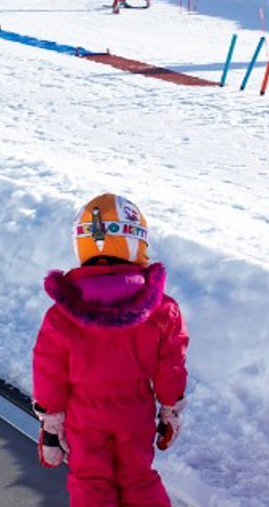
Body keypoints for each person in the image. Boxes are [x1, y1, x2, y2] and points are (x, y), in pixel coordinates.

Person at [32, 193, 188, 507]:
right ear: (138, 243)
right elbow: (172, 365)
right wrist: (169, 409)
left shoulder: (62, 313)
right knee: (138, 477)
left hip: (84, 415)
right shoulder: (161, 308)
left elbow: (49, 368)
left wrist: (52, 421)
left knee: (91, 481)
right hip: (135, 411)